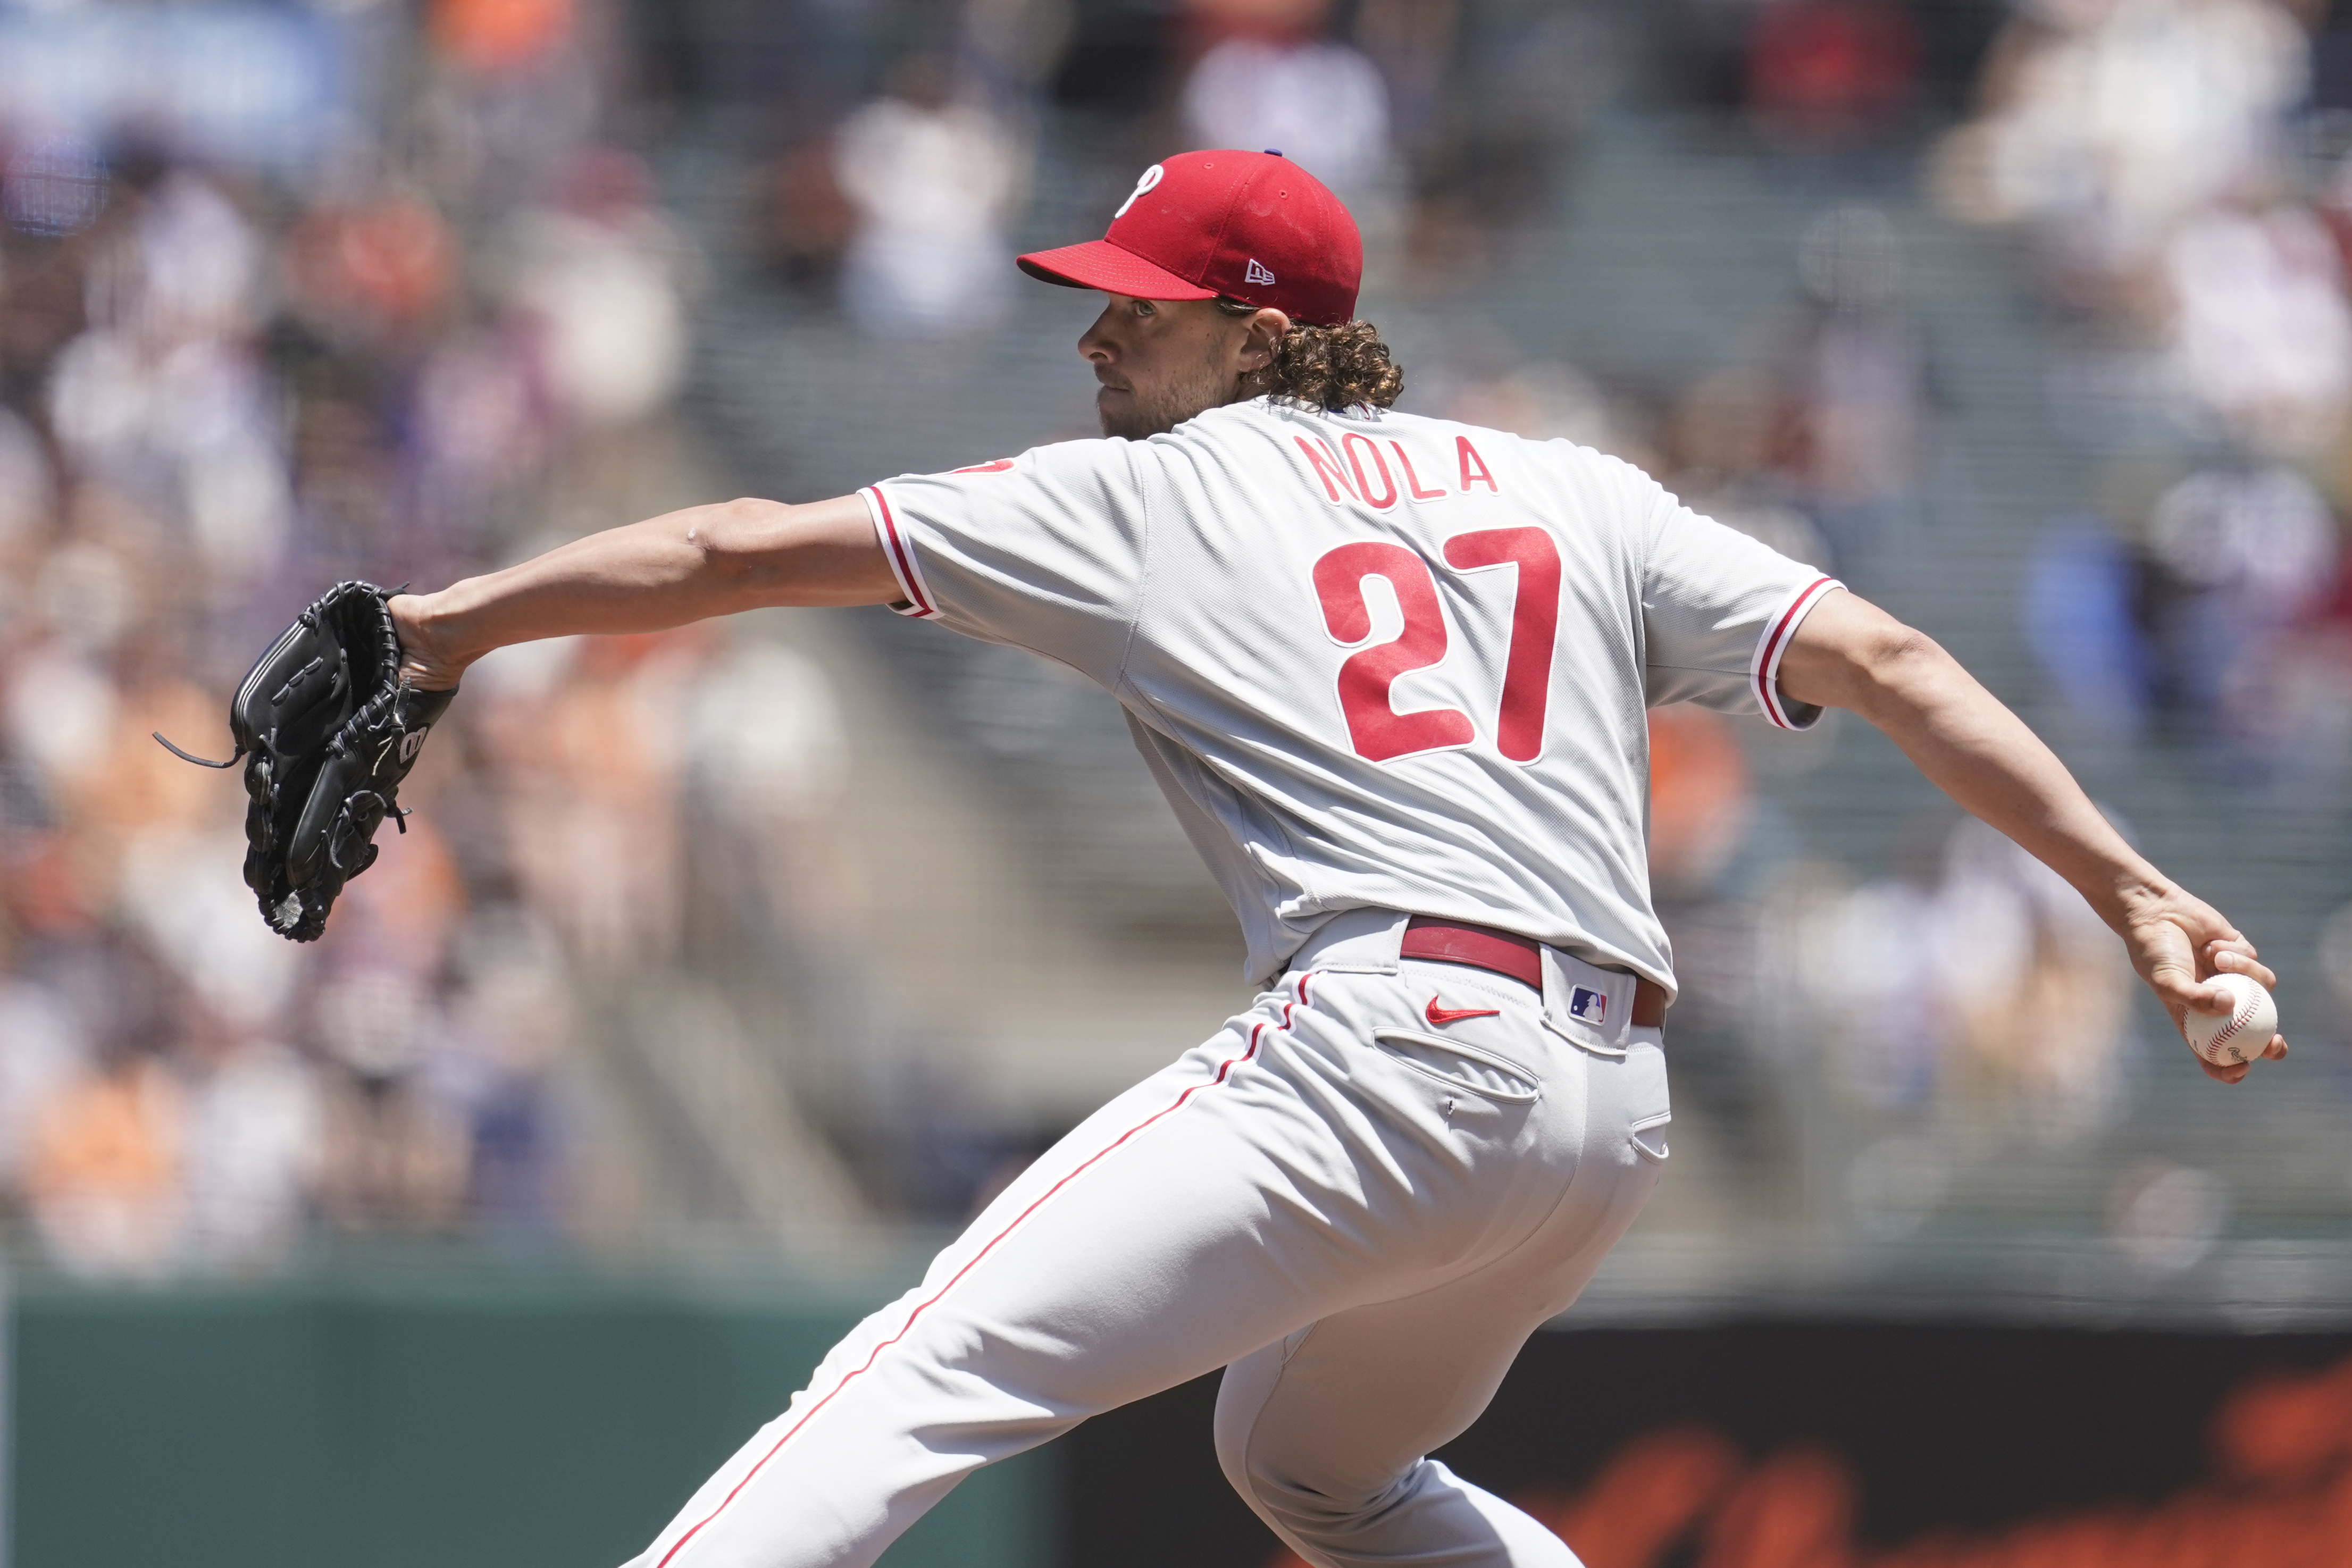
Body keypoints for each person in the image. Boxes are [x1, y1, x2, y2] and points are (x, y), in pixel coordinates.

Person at [385, 150, 2288, 1568]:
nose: (1098, 322)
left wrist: (444, 628)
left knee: (912, 1375)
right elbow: (1884, 657)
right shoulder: (1571, 482)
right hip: (1601, 1114)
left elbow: (729, 549)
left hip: (1391, 1046)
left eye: (1144, 296)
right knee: (1310, 1473)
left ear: (1267, 332)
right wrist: (2133, 893)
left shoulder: (1150, 492)